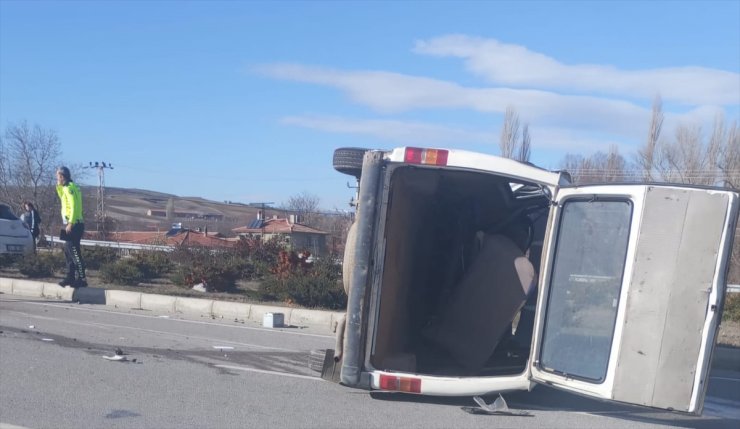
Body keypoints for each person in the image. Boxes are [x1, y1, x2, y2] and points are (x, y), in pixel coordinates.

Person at [56, 166, 87, 288]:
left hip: (74, 224)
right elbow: (61, 197)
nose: (56, 178)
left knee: (74, 252)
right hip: (71, 223)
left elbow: (74, 207)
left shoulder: (69, 189)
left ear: (62, 176)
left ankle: (82, 278)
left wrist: (71, 223)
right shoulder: (67, 187)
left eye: (58, 176)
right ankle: (70, 277)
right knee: (68, 251)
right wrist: (58, 186)